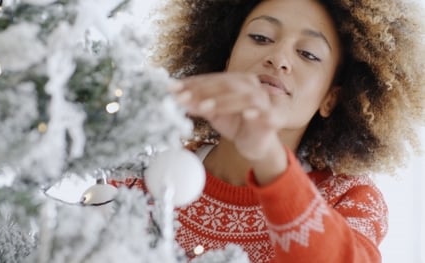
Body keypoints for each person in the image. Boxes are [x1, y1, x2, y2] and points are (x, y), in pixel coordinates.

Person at [149, 0, 425, 262]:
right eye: (260, 37)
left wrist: (267, 155)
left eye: (308, 54)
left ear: (330, 98)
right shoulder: (145, 179)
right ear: (226, 61)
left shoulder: (349, 198)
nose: (278, 58)